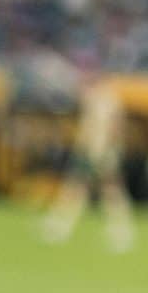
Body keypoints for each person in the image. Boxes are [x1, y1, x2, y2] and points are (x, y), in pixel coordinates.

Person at [40, 66, 136, 252]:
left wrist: (110, 151)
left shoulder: (106, 99)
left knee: (107, 191)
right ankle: (62, 225)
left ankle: (120, 231)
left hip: (101, 152)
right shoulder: (96, 97)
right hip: (91, 150)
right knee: (81, 188)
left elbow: (115, 128)